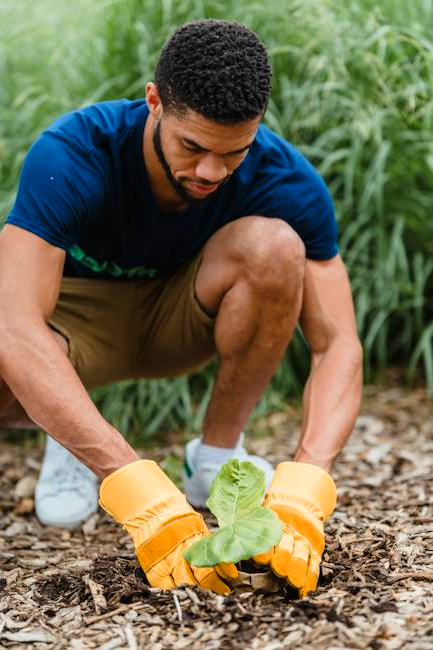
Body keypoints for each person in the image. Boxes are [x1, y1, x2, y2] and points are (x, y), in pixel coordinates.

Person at [0, 19, 362, 596]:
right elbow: (14, 326)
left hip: (182, 315)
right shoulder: (73, 152)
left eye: (233, 152)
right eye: (192, 147)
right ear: (154, 102)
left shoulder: (287, 179)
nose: (211, 172)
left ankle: (216, 459)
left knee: (275, 247)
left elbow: (338, 342)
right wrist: (135, 484)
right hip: (73, 325)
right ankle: (69, 433)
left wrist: (308, 484)